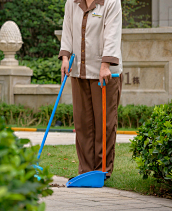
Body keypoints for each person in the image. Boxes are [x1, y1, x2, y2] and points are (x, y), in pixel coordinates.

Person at [59, 0, 123, 179]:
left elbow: (112, 34)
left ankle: (102, 170)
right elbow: (68, 29)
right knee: (82, 123)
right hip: (79, 70)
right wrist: (65, 57)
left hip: (106, 73)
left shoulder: (111, 2)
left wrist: (105, 64)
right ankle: (86, 171)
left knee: (105, 123)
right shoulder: (72, 2)